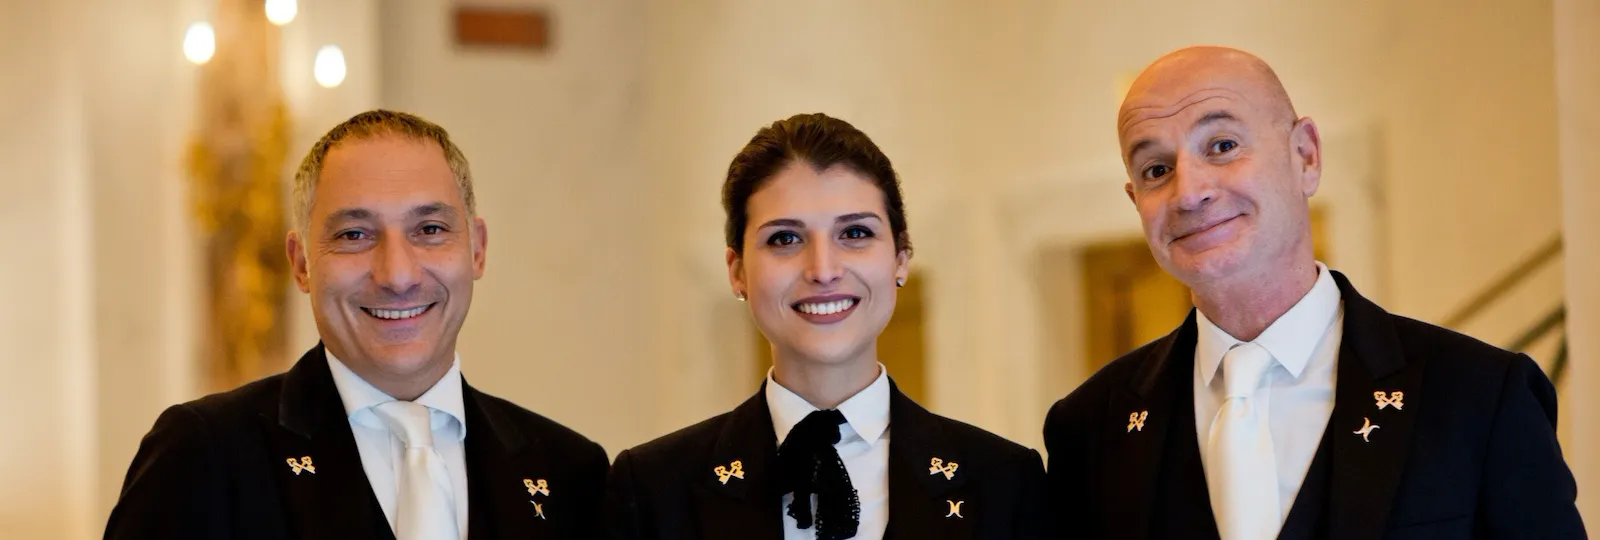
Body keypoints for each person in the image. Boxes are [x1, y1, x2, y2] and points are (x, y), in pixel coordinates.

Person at [1043, 46, 1585, 540]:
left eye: (1223, 145)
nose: (1190, 192)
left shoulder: (1481, 397)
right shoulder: (1090, 429)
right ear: (1135, 200)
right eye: (1157, 169)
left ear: (1306, 156)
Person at [105, 110, 609, 540]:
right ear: (301, 262)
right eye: (354, 234)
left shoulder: (573, 472)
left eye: (430, 230)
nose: (398, 274)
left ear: (476, 249)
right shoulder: (204, 456)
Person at [604, 113, 1048, 539]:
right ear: (737, 269)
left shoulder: (1005, 482)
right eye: (785, 238)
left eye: (854, 233)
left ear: (900, 258)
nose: (823, 268)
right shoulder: (652, 488)